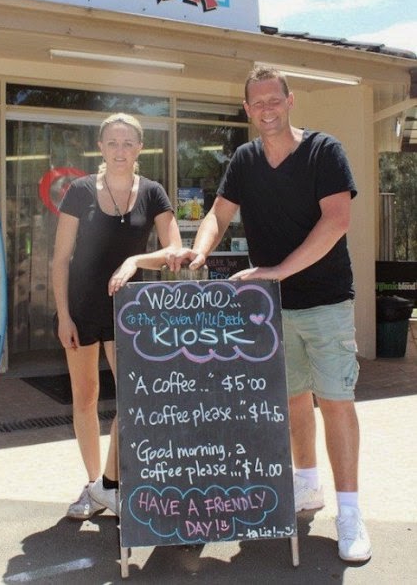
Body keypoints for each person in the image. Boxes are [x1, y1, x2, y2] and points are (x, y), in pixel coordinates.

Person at [168, 66, 372, 562]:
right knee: (293, 400)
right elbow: (218, 214)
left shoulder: (325, 151)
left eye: (273, 100)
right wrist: (201, 250)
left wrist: (278, 270)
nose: (266, 110)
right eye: (256, 103)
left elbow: (336, 221)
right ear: (247, 110)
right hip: (271, 310)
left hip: (324, 300)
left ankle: (350, 513)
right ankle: (307, 487)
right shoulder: (244, 159)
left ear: (290, 99)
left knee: (336, 400)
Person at [52, 112, 181, 520]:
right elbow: (59, 259)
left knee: (134, 398)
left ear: (140, 148)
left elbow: (174, 251)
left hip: (130, 313)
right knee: (86, 397)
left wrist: (135, 259)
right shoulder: (80, 191)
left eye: (128, 143)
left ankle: (112, 481)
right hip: (83, 307)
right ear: (101, 147)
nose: (120, 150)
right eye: (112, 143)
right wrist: (62, 316)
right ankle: (95, 486)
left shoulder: (153, 194)